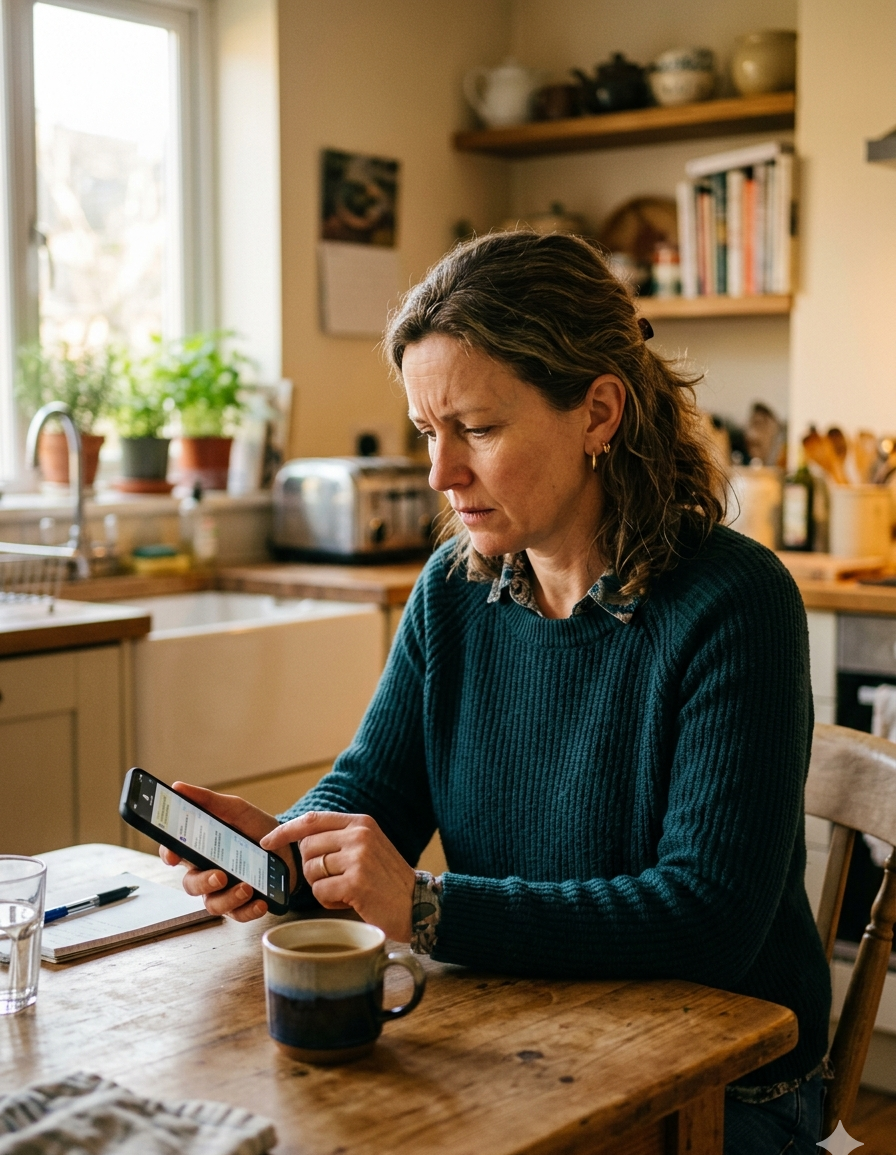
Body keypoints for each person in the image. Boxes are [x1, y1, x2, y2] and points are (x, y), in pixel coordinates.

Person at [163, 232, 830, 1155]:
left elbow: (706, 917)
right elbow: (373, 790)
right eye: (428, 432)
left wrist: (430, 907)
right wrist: (278, 851)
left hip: (725, 1093)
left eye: (476, 429)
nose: (442, 473)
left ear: (599, 411)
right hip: (518, 1048)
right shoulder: (454, 590)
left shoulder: (736, 603)